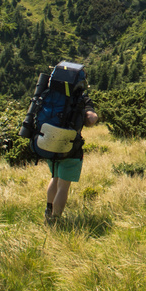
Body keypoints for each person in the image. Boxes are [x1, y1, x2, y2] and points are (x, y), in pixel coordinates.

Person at [45, 85, 98, 222]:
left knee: (55, 177)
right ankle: (56, 220)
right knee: (63, 186)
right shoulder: (81, 98)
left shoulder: (52, 94)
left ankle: (48, 211)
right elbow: (91, 119)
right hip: (70, 146)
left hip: (49, 143)